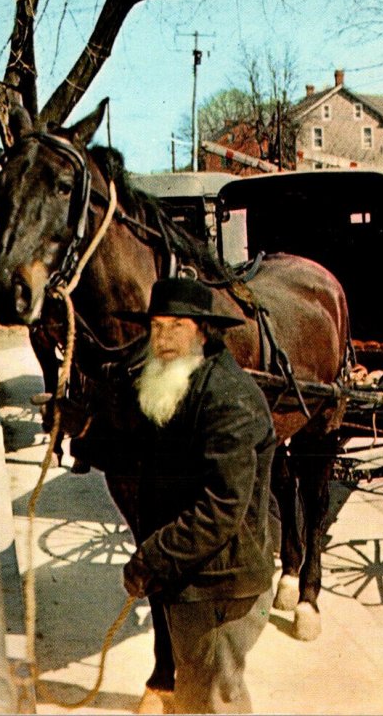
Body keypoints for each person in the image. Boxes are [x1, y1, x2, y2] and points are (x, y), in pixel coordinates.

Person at [115, 276, 280, 715]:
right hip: (194, 579)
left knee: (212, 703)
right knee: (193, 696)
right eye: (156, 326)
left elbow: (222, 507)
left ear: (203, 331)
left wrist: (151, 558)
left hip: (222, 587)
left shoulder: (226, 398)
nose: (163, 338)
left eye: (177, 326)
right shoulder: (178, 381)